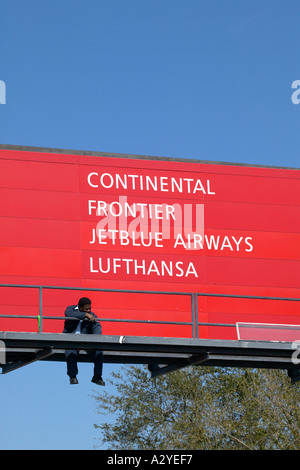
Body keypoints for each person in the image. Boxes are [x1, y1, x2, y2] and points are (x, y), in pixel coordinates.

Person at [63, 297, 105, 386]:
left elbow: (97, 326)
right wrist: (85, 315)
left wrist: (96, 337)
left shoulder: (92, 315)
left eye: (90, 308)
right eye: (86, 309)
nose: (88, 310)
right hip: (71, 339)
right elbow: (68, 313)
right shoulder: (71, 309)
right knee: (70, 351)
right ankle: (73, 376)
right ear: (80, 307)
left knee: (99, 351)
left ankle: (97, 376)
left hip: (86, 341)